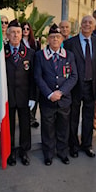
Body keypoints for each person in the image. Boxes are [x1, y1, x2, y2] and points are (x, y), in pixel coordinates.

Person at [34, 24, 78, 166]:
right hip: (47, 100)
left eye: (58, 37)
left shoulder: (69, 56)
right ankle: (48, 154)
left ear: (62, 39)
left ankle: (62, 153)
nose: (55, 40)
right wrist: (49, 94)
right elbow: (38, 77)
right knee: (47, 129)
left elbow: (73, 76)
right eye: (52, 37)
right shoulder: (40, 56)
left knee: (63, 128)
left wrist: (61, 92)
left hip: (64, 100)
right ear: (48, 39)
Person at [63, 15, 96, 159]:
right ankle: (73, 145)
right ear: (80, 25)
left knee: (88, 117)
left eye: (90, 23)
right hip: (75, 86)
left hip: (91, 86)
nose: (87, 25)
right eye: (84, 22)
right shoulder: (69, 43)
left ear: (93, 26)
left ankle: (87, 145)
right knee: (73, 117)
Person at [4, 20, 36, 166]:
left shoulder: (30, 53)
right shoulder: (1, 52)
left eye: (18, 32)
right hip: (7, 96)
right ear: (8, 34)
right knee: (8, 126)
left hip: (24, 96)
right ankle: (9, 152)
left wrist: (32, 97)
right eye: (13, 32)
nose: (16, 35)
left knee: (25, 126)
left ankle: (24, 151)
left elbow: (34, 78)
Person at [21, 21, 41, 128]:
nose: (25, 31)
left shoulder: (35, 43)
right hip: (23, 72)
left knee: (34, 96)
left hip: (34, 71)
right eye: (23, 28)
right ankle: (26, 117)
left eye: (27, 29)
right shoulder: (19, 42)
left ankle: (32, 118)